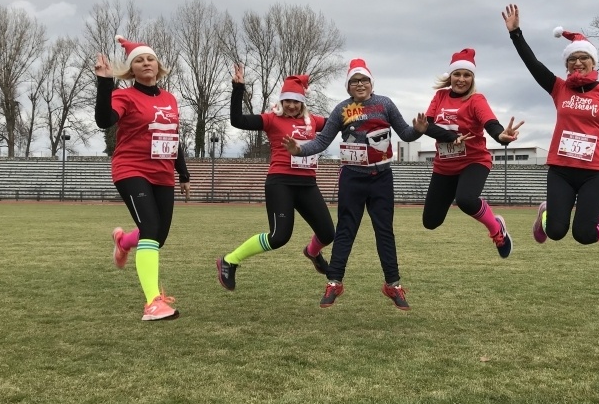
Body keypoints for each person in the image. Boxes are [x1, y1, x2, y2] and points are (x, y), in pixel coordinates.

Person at [283, 58, 439, 311]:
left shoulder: (385, 104)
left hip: (381, 178)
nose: (360, 84)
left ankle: (393, 284)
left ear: (371, 82)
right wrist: (299, 149)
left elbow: (405, 134)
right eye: (354, 81)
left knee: (384, 231)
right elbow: (322, 142)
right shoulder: (342, 109)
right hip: (352, 178)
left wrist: (419, 130)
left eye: (364, 80)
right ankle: (334, 281)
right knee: (346, 230)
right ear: (348, 86)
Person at [501, 4, 599, 250]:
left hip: (595, 171)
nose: (578, 62)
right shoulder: (559, 88)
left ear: (593, 63)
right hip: (562, 170)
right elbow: (533, 65)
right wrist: (516, 34)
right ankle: (547, 214)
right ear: (566, 64)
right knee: (556, 231)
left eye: (583, 58)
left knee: (584, 233)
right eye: (572, 59)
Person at [94, 35, 190, 321]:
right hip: (131, 168)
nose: (145, 63)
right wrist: (104, 82)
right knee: (150, 226)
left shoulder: (170, 98)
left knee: (157, 237)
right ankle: (153, 303)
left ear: (158, 65)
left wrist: (183, 173)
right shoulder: (124, 95)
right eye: (139, 60)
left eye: (150, 58)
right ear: (131, 69)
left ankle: (124, 242)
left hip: (163, 173)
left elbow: (173, 137)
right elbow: (104, 120)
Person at [215, 65, 335, 291]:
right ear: (281, 101)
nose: (291, 105)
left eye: (296, 101)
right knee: (279, 236)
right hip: (281, 182)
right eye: (287, 100)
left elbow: (338, 123)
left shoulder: (314, 122)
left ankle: (312, 252)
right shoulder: (271, 120)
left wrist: (357, 110)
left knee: (328, 233)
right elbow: (237, 120)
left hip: (307, 184)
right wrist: (238, 88)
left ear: (303, 102)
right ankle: (230, 260)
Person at [422, 48, 524, 257]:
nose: (461, 79)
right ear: (450, 76)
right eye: (457, 74)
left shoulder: (476, 99)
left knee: (466, 200)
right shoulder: (440, 96)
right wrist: (451, 137)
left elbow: (490, 122)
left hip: (473, 161)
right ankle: (495, 223)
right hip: (444, 166)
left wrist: (500, 135)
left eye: (467, 75)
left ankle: (496, 230)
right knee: (430, 222)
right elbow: (428, 126)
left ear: (473, 78)